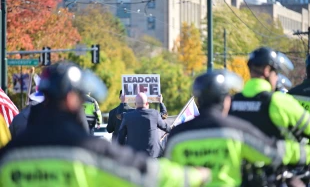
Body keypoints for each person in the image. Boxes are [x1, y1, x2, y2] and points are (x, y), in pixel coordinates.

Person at [0, 61, 211, 187]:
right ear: (71, 99)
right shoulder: (89, 151)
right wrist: (194, 175)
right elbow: (147, 173)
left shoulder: (10, 155)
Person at [164, 69, 310, 187]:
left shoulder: (177, 135)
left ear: (198, 99)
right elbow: (272, 152)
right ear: (226, 101)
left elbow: (167, 174)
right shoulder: (237, 131)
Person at [229, 47, 310, 140]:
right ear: (267, 70)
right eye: (276, 73)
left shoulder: (231, 102)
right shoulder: (279, 101)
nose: (276, 78)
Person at [118, 92, 171, 158]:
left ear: (135, 104)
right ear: (147, 103)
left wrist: (122, 102)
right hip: (152, 156)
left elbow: (120, 137)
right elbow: (165, 124)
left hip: (133, 157)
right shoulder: (154, 114)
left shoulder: (127, 116)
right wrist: (160, 102)